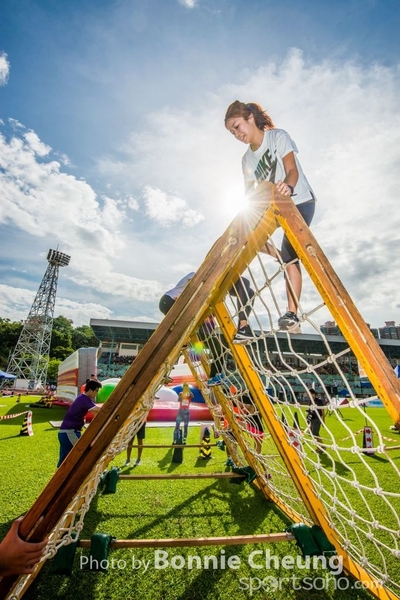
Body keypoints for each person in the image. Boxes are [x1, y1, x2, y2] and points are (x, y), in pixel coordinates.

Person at [224, 100, 317, 334]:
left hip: (299, 200)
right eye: (231, 132)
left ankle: (292, 315)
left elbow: (292, 170)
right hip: (271, 209)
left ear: (250, 118)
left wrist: (287, 186)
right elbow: (249, 196)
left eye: (237, 126)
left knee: (290, 255)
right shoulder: (246, 160)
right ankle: (243, 326)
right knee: (246, 237)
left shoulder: (277, 137)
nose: (236, 134)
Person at [57, 380, 103, 467]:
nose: (97, 393)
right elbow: (98, 410)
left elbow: (96, 413)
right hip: (69, 432)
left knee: (64, 460)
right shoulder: (84, 399)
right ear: (90, 390)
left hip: (67, 432)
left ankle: (58, 478)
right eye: (96, 390)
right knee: (82, 453)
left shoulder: (83, 398)